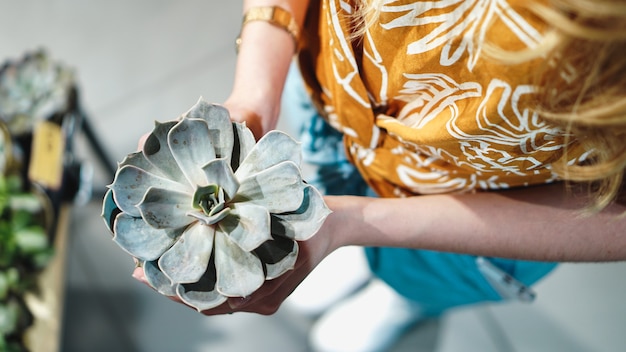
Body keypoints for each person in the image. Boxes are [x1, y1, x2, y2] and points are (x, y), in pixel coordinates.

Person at [134, 0, 626, 350]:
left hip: (478, 208)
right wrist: (256, 91)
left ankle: (403, 297)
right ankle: (354, 254)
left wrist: (355, 221)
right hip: (336, 99)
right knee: (319, 193)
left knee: (421, 276)